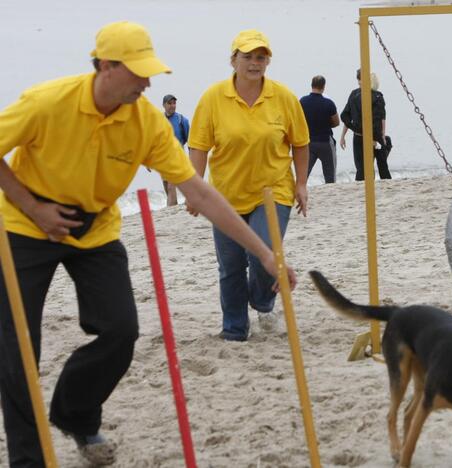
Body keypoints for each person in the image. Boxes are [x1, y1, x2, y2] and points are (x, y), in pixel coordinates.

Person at [0, 21, 290, 467]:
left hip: (96, 230)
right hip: (23, 226)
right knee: (18, 348)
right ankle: (28, 459)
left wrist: (266, 254)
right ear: (106, 66)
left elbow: (199, 192)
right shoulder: (47, 102)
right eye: (137, 72)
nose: (148, 83)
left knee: (121, 332)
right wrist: (32, 207)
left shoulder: (146, 123)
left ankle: (74, 413)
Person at [187, 29, 309, 342]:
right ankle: (235, 328)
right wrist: (195, 189)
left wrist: (302, 183)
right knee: (230, 266)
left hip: (274, 191)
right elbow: (199, 147)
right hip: (225, 196)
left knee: (264, 255)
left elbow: (300, 143)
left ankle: (263, 300)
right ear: (234, 60)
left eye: (261, 57)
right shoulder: (213, 98)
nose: (255, 63)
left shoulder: (282, 97)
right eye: (248, 57)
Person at [339, 70, 391, 181]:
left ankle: (363, 187)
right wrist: (381, 136)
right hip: (374, 135)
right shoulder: (377, 96)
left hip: (358, 136)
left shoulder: (354, 94)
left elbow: (346, 116)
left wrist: (344, 134)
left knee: (361, 169)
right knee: (382, 167)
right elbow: (381, 119)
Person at [300, 75, 340, 183]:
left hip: (309, 142)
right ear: (323, 87)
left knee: (304, 174)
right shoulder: (328, 103)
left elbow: (298, 120)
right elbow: (336, 122)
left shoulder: (303, 102)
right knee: (330, 176)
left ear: (311, 85)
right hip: (325, 142)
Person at [161, 94, 190, 206]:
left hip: (177, 155)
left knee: (171, 184)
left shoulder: (181, 120)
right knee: (167, 186)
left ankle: (170, 209)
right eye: (170, 103)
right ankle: (174, 207)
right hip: (162, 158)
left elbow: (190, 141)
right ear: (164, 105)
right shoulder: (158, 120)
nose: (173, 106)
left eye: (174, 103)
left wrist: (192, 158)